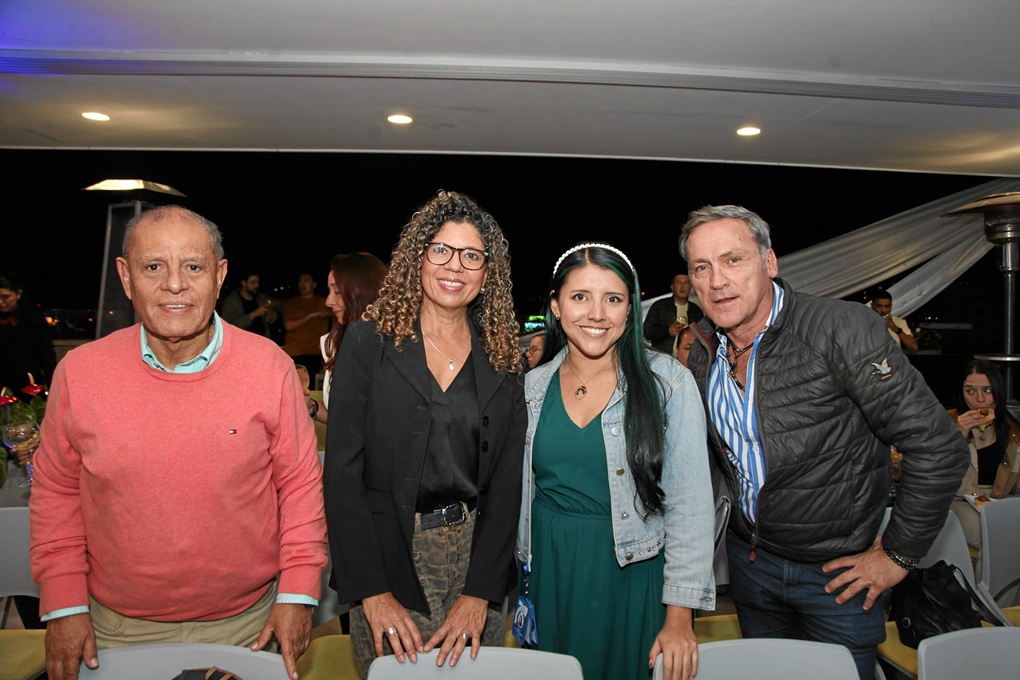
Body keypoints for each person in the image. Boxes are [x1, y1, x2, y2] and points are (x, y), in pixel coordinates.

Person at [29, 205, 328, 680]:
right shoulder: (80, 373)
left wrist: (297, 594)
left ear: (219, 274)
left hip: (249, 623)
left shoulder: (268, 366)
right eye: (154, 267)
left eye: (193, 266)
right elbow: (57, 492)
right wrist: (63, 604)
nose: (174, 284)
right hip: (114, 627)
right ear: (126, 278)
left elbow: (298, 486)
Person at [679, 204, 968, 680]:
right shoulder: (704, 353)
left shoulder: (840, 329)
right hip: (752, 568)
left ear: (769, 263)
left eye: (733, 260)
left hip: (840, 577)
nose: (716, 281)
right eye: (701, 267)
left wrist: (896, 554)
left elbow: (937, 446)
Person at [323, 190, 526, 677]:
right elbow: (342, 476)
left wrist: (481, 592)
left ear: (487, 271)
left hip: (477, 555)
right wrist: (371, 592)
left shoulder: (502, 355)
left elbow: (506, 482)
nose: (455, 266)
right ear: (418, 257)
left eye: (472, 255)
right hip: (391, 554)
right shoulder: (370, 342)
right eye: (441, 250)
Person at [516, 243, 715, 680]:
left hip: (631, 572)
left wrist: (680, 616)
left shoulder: (668, 384)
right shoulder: (531, 388)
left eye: (613, 299)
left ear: (631, 308)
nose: (597, 314)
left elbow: (692, 505)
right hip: (551, 567)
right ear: (556, 305)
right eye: (580, 296)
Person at [947, 359, 1020, 550]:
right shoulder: (946, 423)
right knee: (991, 537)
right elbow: (934, 474)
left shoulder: (1012, 430)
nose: (979, 399)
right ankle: (984, 581)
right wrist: (958, 437)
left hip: (1000, 501)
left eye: (987, 390)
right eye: (970, 391)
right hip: (958, 500)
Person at [306, 252, 386, 425]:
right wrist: (310, 406)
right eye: (329, 291)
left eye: (337, 291)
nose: (328, 301)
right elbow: (345, 421)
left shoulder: (398, 347)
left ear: (363, 292)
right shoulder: (333, 344)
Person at [0, 272, 56, 402]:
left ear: (18, 294)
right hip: (2, 383)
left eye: (5, 297)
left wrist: (53, 385)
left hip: (29, 382)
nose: (0, 302)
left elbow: (47, 354)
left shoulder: (33, 317)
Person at [282, 273, 331, 385]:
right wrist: (310, 316)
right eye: (300, 281)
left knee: (309, 387)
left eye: (306, 280)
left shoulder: (324, 302)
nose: (302, 284)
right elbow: (289, 325)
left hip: (313, 352)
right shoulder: (291, 303)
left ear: (314, 285)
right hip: (294, 351)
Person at [643, 273, 704, 355]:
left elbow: (703, 335)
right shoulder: (659, 306)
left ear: (691, 287)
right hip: (663, 357)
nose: (682, 286)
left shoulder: (696, 311)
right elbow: (647, 332)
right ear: (672, 286)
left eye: (686, 283)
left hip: (688, 359)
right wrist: (667, 331)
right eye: (678, 283)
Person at [220, 272, 280, 341]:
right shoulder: (231, 301)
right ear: (243, 283)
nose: (257, 285)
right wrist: (254, 314)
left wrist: (274, 313)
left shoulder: (260, 297)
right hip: (242, 343)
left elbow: (280, 305)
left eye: (258, 282)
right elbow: (227, 327)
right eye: (253, 283)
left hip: (262, 341)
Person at [869, 288, 918, 353]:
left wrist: (896, 329)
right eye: (879, 306)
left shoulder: (899, 322)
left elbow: (914, 348)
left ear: (891, 306)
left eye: (887, 306)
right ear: (872, 305)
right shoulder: (862, 321)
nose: (883, 310)